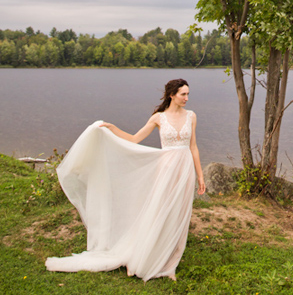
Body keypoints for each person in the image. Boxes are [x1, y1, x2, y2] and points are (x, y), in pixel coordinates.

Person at [45, 78, 206, 281]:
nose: (187, 98)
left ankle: (170, 263)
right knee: (159, 213)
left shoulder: (191, 116)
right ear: (172, 95)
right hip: (165, 170)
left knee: (179, 216)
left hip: (185, 170)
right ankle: (142, 258)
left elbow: (193, 147)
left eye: (188, 94)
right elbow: (134, 139)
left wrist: (200, 175)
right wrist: (112, 128)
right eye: (183, 94)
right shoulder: (159, 118)